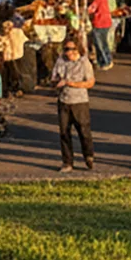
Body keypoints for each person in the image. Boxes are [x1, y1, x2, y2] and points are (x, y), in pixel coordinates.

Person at [51, 38, 96, 172]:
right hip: (64, 100)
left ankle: (88, 155)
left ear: (78, 50)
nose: (69, 53)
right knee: (64, 132)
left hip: (80, 101)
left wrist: (71, 83)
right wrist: (57, 82)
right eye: (66, 49)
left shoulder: (84, 63)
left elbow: (90, 82)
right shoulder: (60, 61)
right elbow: (53, 78)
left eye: (72, 49)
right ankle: (67, 162)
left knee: (84, 131)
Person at [86, 0, 116, 71]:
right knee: (103, 43)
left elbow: (92, 8)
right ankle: (103, 61)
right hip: (106, 22)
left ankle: (106, 61)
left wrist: (84, 10)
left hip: (100, 22)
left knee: (100, 44)